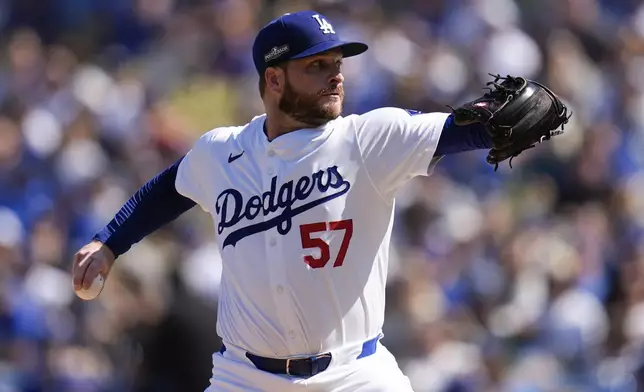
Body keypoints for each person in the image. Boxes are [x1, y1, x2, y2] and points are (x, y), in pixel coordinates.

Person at [71, 10, 501, 391]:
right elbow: (166, 189)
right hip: (244, 376)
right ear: (274, 79)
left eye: (337, 64)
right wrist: (109, 242)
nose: (336, 75)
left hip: (355, 374)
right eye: (317, 65)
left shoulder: (368, 139)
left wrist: (502, 119)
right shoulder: (221, 152)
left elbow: (462, 130)